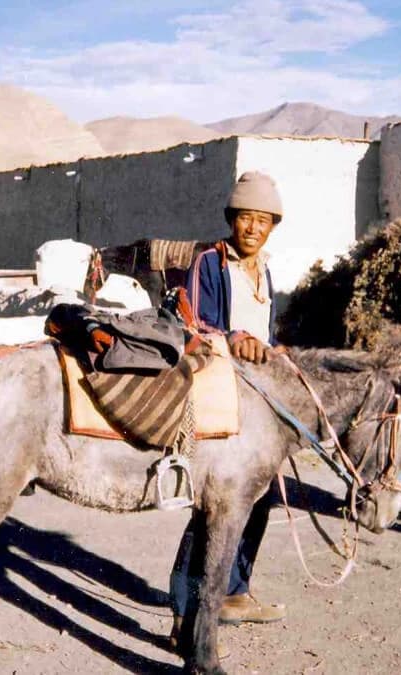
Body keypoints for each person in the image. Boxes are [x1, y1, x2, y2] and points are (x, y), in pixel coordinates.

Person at [169, 171, 285, 644]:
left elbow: (263, 331)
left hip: (256, 400)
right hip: (216, 392)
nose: (252, 228)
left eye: (262, 220)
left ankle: (235, 592)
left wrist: (275, 350)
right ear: (231, 221)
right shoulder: (210, 264)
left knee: (261, 496)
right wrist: (233, 338)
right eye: (244, 218)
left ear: (272, 225)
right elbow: (194, 325)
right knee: (212, 505)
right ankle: (183, 610)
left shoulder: (265, 270)